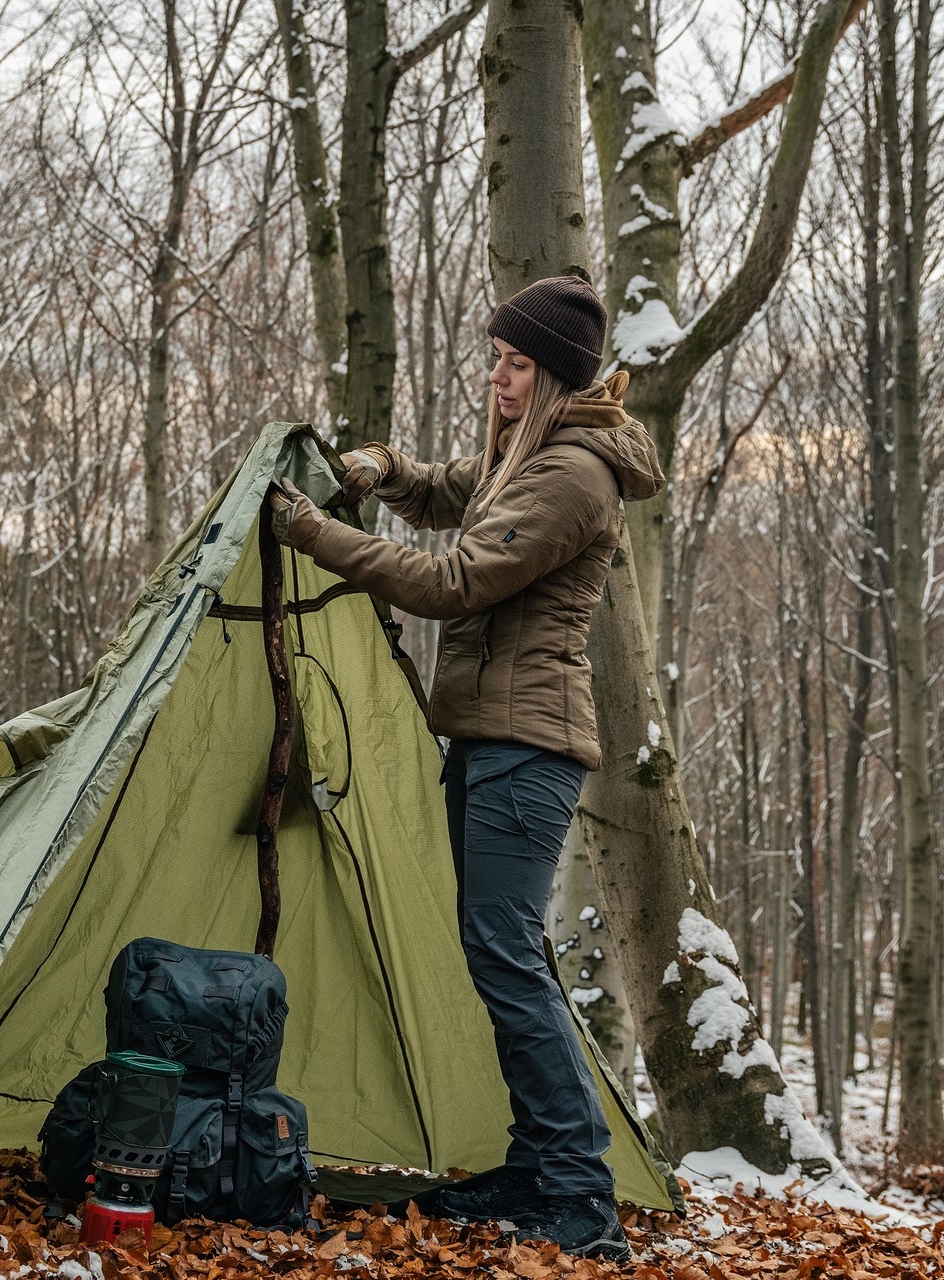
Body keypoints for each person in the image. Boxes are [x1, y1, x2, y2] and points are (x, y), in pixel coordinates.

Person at [265, 275, 665, 1261]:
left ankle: (578, 1193)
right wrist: (383, 468)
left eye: (517, 362)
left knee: (506, 954)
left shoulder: (574, 476)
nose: (498, 374)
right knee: (500, 954)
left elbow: (454, 580)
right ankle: (541, 1167)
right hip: (489, 741)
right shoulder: (526, 458)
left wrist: (316, 533)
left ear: (560, 377)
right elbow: (453, 496)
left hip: (531, 749)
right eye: (497, 356)